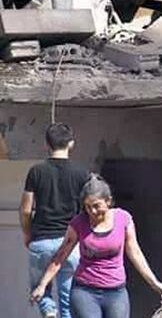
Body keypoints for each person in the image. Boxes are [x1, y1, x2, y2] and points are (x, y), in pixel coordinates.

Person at [31, 176, 162, 318]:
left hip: (116, 292)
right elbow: (60, 256)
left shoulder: (123, 219)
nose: (92, 211)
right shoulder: (79, 223)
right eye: (87, 206)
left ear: (108, 201)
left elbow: (135, 253)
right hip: (85, 291)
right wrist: (42, 285)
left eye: (96, 205)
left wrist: (155, 283)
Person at [20, 123, 90, 318]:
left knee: (40, 288)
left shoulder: (36, 171)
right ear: (71, 143)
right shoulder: (82, 173)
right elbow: (88, 210)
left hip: (41, 240)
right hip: (70, 243)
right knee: (68, 298)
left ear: (46, 144)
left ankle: (49, 310)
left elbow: (26, 210)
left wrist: (27, 234)